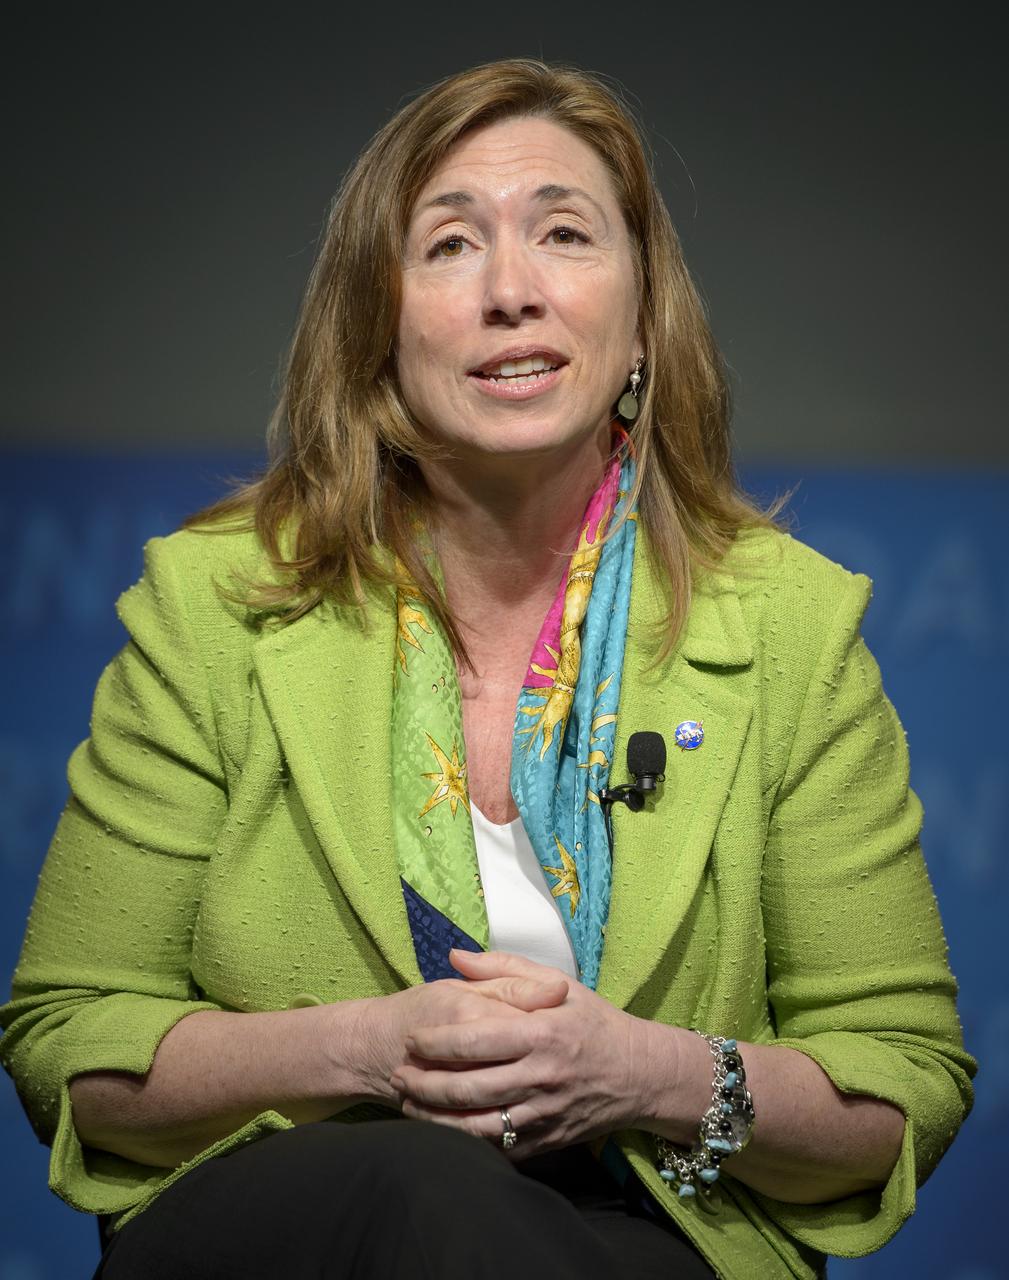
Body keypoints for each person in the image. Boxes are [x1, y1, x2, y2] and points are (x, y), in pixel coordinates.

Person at [1, 59, 974, 1280]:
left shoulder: (788, 627)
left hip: (641, 1232)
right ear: (376, 328)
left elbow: (901, 1084)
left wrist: (643, 1071)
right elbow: (70, 1043)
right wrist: (366, 1048)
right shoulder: (216, 608)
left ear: (639, 319)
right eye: (451, 246)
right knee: (429, 1190)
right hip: (286, 1223)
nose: (511, 290)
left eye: (563, 234)